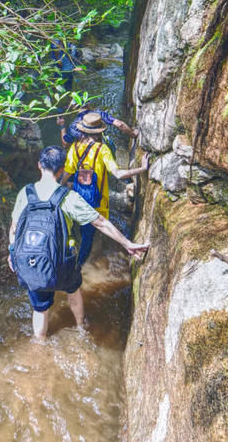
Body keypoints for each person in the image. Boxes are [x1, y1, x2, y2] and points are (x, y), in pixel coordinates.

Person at [8, 146, 149, 340]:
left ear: (39, 165)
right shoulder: (67, 197)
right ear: (62, 170)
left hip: (33, 263)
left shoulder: (25, 193)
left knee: (40, 309)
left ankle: (40, 344)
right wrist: (127, 243)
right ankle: (81, 328)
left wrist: (12, 253)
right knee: (73, 292)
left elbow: (14, 228)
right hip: (63, 265)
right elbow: (100, 222)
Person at [60, 111, 148, 266]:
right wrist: (142, 169)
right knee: (91, 233)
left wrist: (57, 189)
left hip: (79, 197)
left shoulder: (74, 148)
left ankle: (74, 258)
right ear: (100, 131)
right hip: (98, 201)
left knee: (82, 228)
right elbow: (118, 174)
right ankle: (79, 265)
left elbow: (67, 174)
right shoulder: (102, 149)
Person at [56, 104, 138, 148]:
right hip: (101, 149)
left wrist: (62, 126)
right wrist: (133, 134)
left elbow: (65, 144)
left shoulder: (73, 126)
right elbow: (120, 124)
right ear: (88, 104)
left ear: (74, 108)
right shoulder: (98, 114)